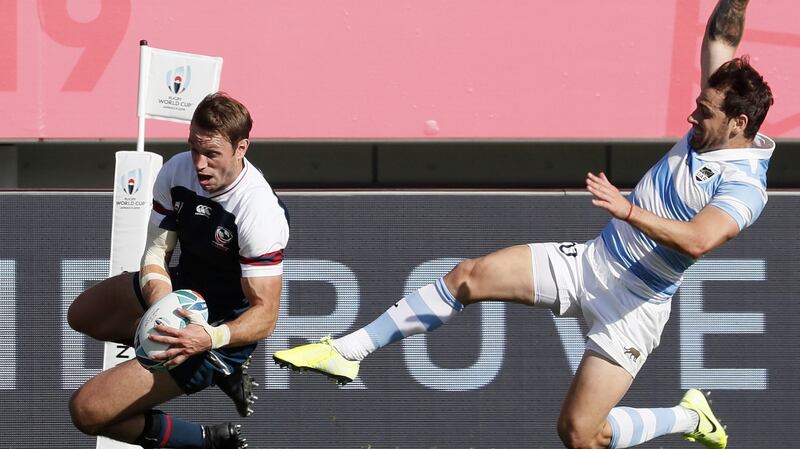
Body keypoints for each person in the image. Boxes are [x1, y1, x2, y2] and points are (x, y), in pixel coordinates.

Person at [274, 1, 773, 448]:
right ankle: (349, 350)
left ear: (739, 125)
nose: (691, 116)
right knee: (470, 275)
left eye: (703, 114)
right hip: (592, 262)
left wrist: (628, 211)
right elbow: (720, 36)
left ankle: (687, 417)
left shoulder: (746, 187)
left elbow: (700, 240)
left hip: (635, 307)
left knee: (581, 435)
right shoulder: (715, 117)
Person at [68, 92, 289, 449]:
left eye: (212, 154)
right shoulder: (177, 170)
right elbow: (156, 251)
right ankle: (202, 364)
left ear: (241, 148)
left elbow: (266, 315)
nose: (199, 163)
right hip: (182, 289)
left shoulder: (258, 212)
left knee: (87, 411)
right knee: (81, 315)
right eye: (194, 148)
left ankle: (205, 441)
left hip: (217, 328)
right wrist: (162, 308)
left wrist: (207, 338)